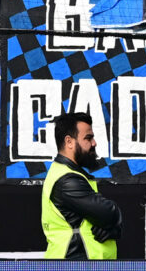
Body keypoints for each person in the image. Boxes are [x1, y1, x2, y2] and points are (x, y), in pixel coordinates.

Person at [42, 110, 121, 260]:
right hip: (76, 268)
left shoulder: (66, 173)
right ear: (69, 142)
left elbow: (106, 216)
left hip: (81, 266)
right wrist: (114, 223)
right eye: (88, 138)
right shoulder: (67, 181)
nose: (94, 143)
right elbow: (109, 213)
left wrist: (113, 227)